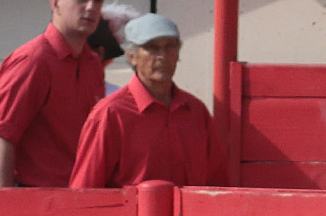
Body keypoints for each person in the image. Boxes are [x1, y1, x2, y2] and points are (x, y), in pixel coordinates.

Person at [70, 14, 228, 189]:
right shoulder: (110, 113)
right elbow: (84, 192)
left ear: (178, 54)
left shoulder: (196, 111)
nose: (162, 56)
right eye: (152, 48)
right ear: (132, 56)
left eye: (170, 46)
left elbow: (217, 184)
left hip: (191, 215)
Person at [0, 0, 109, 189]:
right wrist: (3, 209)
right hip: (34, 196)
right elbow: (0, 138)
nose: (91, 7)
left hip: (81, 197)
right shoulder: (33, 60)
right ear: (55, 4)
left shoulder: (92, 63)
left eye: (98, 0)